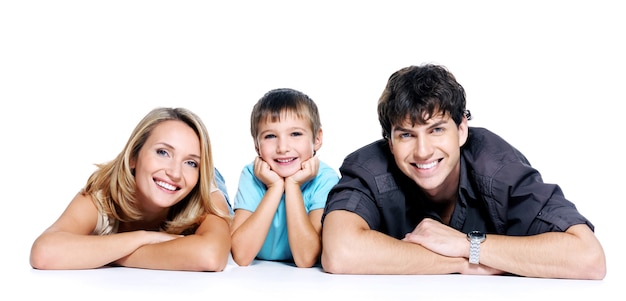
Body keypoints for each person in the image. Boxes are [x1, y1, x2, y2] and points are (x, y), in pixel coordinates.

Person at [320, 64, 606, 280]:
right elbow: (340, 253)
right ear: (390, 143)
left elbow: (589, 257)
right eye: (406, 135)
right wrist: (464, 260)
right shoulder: (369, 167)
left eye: (437, 130)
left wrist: (467, 244)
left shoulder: (496, 167)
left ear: (461, 131)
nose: (423, 151)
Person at [30, 107, 232, 272]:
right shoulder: (102, 195)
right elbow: (44, 252)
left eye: (191, 162)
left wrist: (107, 254)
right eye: (163, 152)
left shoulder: (205, 192)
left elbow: (210, 255)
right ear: (133, 157)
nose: (175, 173)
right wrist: (145, 237)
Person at [231, 88, 339, 268]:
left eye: (295, 134)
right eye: (270, 136)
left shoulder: (325, 179)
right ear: (257, 146)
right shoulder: (251, 175)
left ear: (317, 138)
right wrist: (274, 188)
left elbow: (306, 259)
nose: (282, 147)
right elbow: (241, 256)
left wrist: (293, 185)